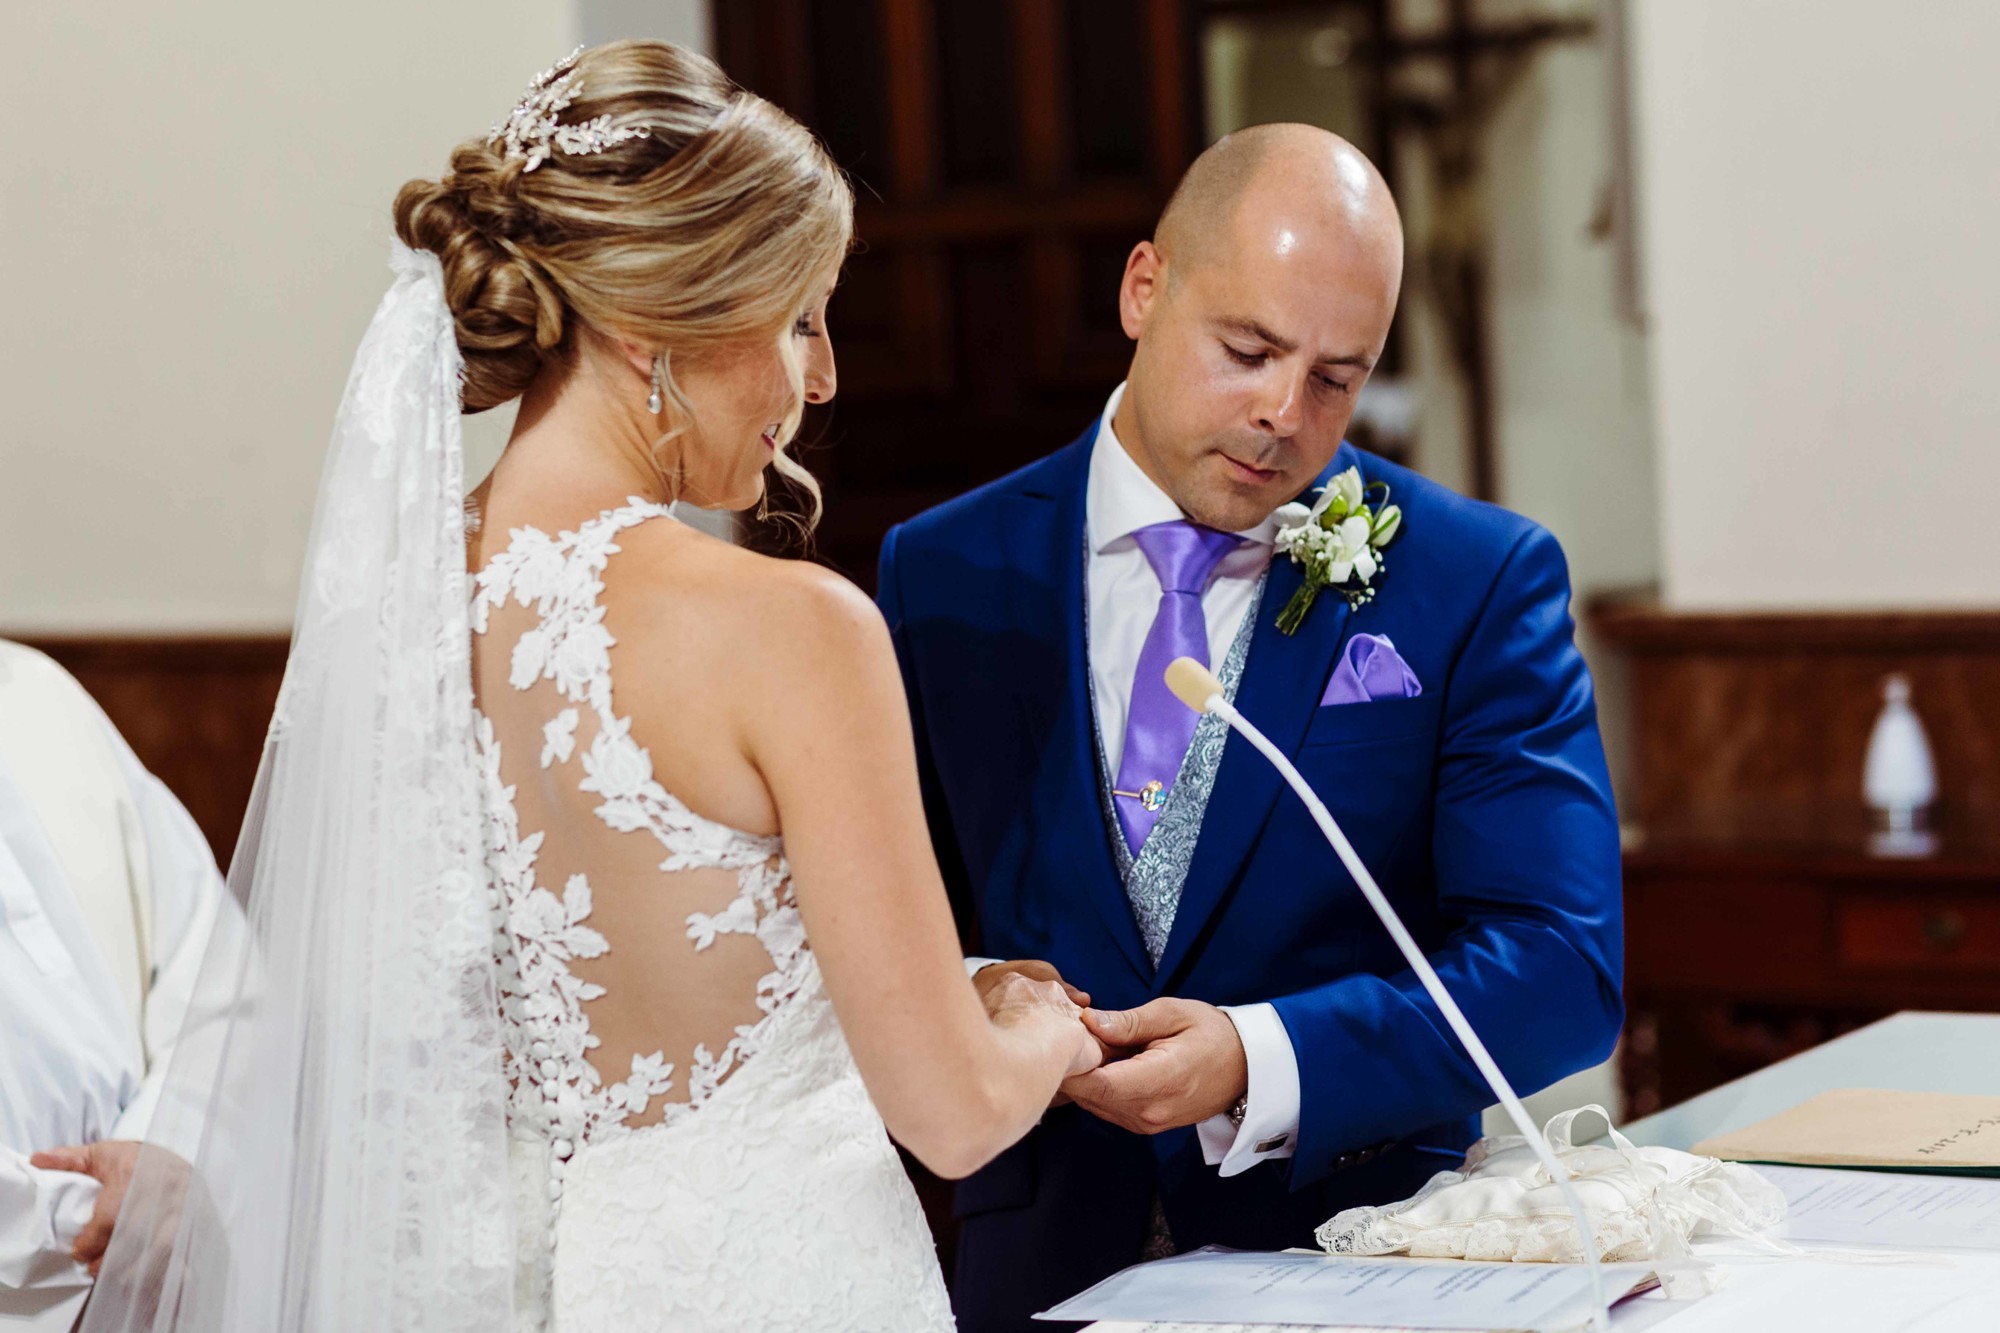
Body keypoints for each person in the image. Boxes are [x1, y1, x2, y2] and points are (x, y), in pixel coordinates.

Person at [82, 40, 1097, 1333]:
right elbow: (953, 1115)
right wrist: (1038, 1023)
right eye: (799, 316)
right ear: (651, 323)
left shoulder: (392, 608)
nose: (824, 375)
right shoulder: (793, 630)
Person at [878, 123, 1626, 1331]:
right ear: (1143, 287)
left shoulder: (1474, 578)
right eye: (1247, 350)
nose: (1283, 413)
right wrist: (992, 998)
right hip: (1038, 1262)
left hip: (1363, 1260)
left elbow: (1559, 967)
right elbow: (891, 919)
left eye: (1336, 377)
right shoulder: (941, 568)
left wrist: (1260, 1057)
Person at [0, 640, 228, 1333]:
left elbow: (223, 986)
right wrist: (90, 1221)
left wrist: (169, 1156)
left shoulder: (41, 693)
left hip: (174, 1287)